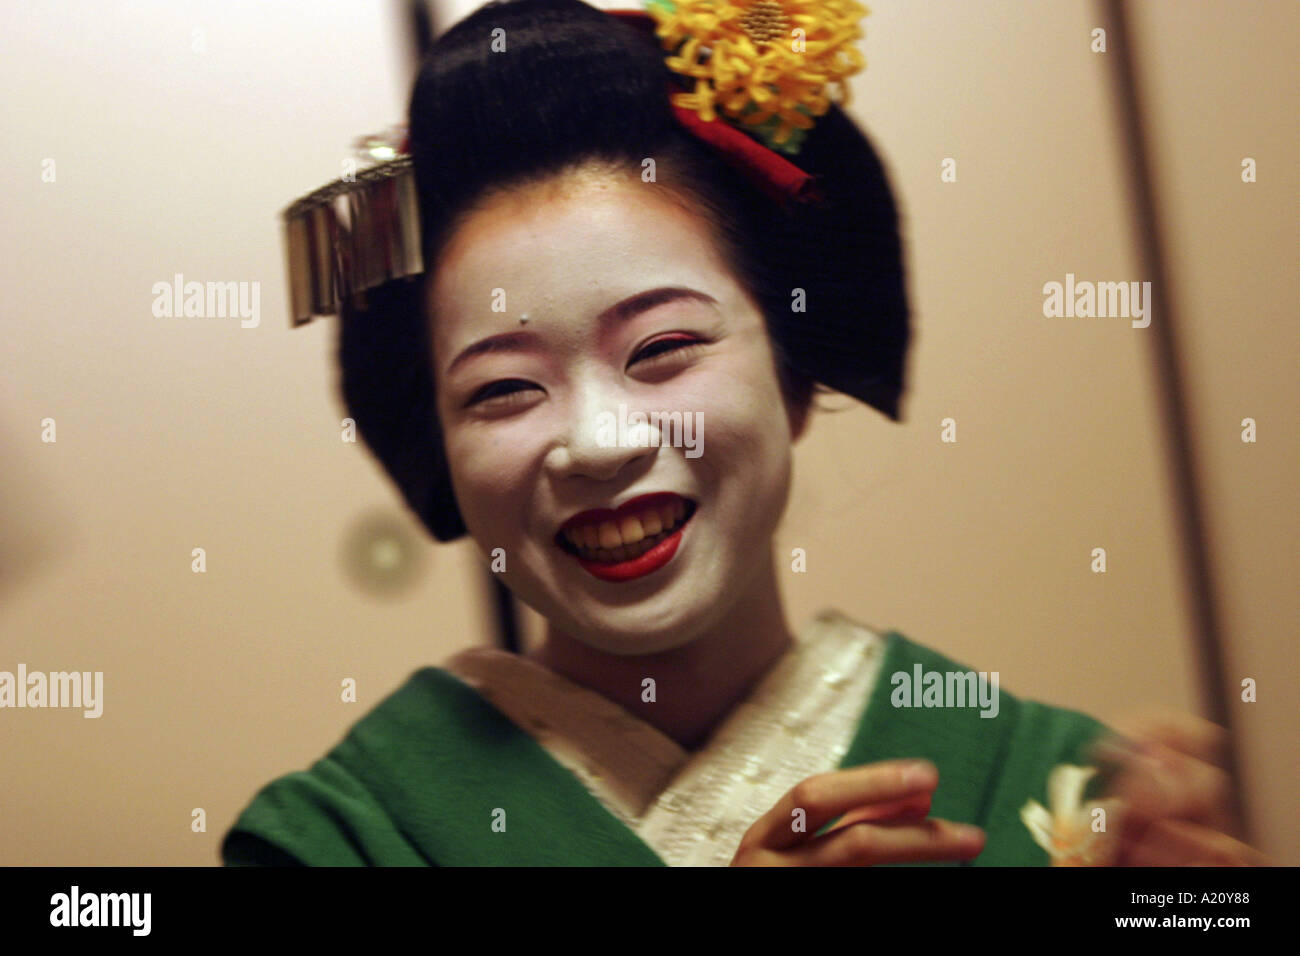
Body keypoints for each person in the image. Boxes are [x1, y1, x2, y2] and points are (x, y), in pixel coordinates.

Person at [222, 0, 1261, 867]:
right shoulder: (343, 837)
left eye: (664, 346)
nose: (596, 442)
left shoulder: (1052, 785)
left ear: (795, 372)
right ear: (437, 445)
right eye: (500, 391)